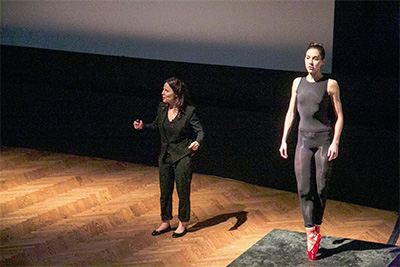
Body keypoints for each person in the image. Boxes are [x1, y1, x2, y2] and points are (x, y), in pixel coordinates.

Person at [279, 43, 344, 260]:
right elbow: (291, 112)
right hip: (303, 140)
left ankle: (317, 224)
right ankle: (310, 232)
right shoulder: (297, 83)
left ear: (322, 61)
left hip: (324, 140)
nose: (310, 62)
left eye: (315, 58)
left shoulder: (330, 84)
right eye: (308, 57)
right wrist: (284, 139)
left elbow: (339, 116)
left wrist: (335, 142)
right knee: (304, 188)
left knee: (321, 187)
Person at [133, 77, 204, 238]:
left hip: (182, 157)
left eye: (166, 90)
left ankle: (182, 223)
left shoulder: (189, 111)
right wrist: (144, 126)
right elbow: (157, 125)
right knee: (165, 191)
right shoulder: (162, 108)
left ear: (176, 94)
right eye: (163, 89)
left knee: (182, 191)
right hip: (165, 156)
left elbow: (200, 132)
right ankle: (165, 221)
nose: (162, 93)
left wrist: (197, 142)